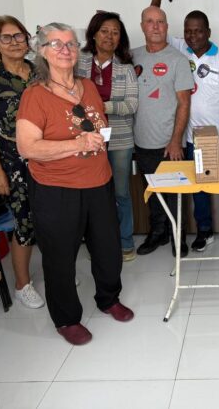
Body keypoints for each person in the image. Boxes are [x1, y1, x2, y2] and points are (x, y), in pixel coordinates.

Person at [16, 22, 133, 345]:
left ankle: (108, 298)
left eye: (70, 44)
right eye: (56, 44)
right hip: (57, 189)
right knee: (60, 257)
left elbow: (99, 128)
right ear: (42, 51)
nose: (65, 50)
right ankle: (66, 319)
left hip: (99, 182)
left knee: (108, 249)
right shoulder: (35, 96)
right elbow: (27, 148)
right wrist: (76, 144)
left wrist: (93, 142)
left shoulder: (88, 86)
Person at [150, 0, 219, 251]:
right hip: (192, 139)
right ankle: (204, 230)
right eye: (188, 31)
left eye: (198, 31)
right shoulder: (180, 51)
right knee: (198, 188)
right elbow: (155, 26)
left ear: (208, 32)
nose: (193, 36)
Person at [0, 15, 44, 310]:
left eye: (19, 36)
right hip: (14, 159)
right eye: (6, 37)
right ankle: (22, 285)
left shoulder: (40, 71)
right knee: (24, 221)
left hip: (47, 155)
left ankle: (56, 271)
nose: (14, 42)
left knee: (52, 217)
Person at [133, 6, 194, 257]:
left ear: (167, 27)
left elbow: (184, 103)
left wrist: (176, 140)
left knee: (174, 195)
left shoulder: (178, 60)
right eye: (150, 21)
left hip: (170, 144)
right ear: (142, 26)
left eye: (160, 22)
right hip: (141, 142)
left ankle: (178, 237)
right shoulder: (132, 56)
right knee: (153, 192)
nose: (156, 26)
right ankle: (157, 233)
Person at [78, 11, 139, 262]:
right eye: (104, 31)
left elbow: (132, 105)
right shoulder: (78, 62)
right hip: (85, 137)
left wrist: (101, 106)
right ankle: (98, 242)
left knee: (121, 192)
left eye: (115, 33)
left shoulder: (126, 67)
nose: (109, 37)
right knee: (92, 193)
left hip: (120, 138)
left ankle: (126, 242)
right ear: (93, 34)